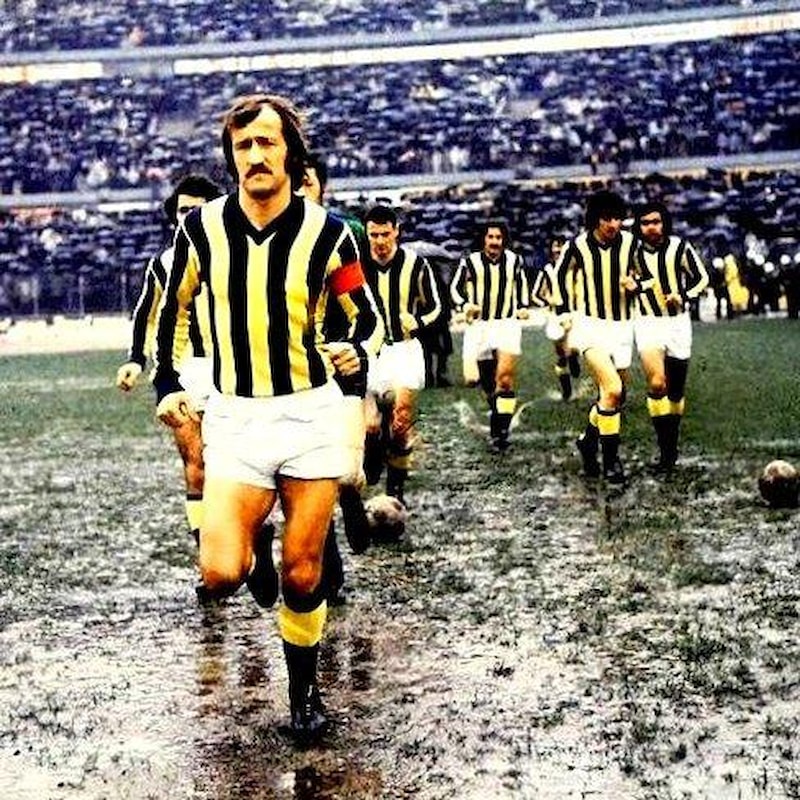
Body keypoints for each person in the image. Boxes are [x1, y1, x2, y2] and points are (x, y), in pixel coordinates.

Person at [151, 94, 383, 742]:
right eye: (243, 145)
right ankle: (253, 548)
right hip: (235, 419)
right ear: (231, 157)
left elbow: (364, 314)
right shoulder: (201, 231)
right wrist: (167, 382)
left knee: (303, 570)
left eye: (267, 143)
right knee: (220, 572)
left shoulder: (329, 233)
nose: (255, 155)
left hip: (308, 415)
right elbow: (173, 312)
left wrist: (356, 347)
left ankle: (304, 694)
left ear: (290, 154)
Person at [115, 174, 222, 545]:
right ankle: (206, 549)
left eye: (197, 210)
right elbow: (145, 315)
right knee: (196, 460)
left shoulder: (236, 254)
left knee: (240, 464)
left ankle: (252, 539)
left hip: (238, 370)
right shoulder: (163, 264)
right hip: (189, 371)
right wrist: (135, 360)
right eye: (182, 211)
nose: (188, 217)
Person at [299, 151, 382, 605]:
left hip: (343, 362)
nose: (298, 190)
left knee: (347, 475)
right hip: (297, 373)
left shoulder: (344, 233)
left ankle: (352, 496)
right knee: (309, 474)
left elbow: (364, 304)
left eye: (307, 182)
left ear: (322, 188)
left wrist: (358, 349)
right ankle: (328, 573)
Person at [553, 190, 647, 484]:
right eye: (607, 218)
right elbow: (559, 276)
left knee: (615, 397)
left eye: (618, 218)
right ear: (595, 219)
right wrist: (564, 310)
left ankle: (588, 441)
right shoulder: (578, 246)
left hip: (623, 327)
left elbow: (648, 276)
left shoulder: (632, 243)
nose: (613, 224)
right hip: (590, 326)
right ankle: (611, 462)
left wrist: (637, 286)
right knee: (613, 389)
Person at [362, 204, 442, 505]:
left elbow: (436, 307)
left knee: (401, 421)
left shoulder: (416, 264)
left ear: (396, 231)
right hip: (369, 353)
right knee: (370, 426)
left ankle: (395, 488)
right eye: (374, 235)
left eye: (385, 234)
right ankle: (373, 452)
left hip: (405, 349)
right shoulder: (356, 266)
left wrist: (417, 321)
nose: (380, 241)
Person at [633, 201, 709, 472]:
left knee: (675, 392)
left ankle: (671, 443)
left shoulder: (680, 247)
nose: (651, 227)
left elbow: (701, 278)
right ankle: (665, 449)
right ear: (639, 226)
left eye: (655, 221)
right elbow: (625, 280)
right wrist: (632, 286)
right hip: (647, 322)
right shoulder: (631, 252)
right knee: (657, 384)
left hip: (677, 323)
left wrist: (684, 295)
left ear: (664, 223)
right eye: (645, 223)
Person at [450, 219, 530, 451]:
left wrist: (523, 305)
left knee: (504, 378)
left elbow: (521, 286)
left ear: (504, 240)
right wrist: (465, 305)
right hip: (479, 326)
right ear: (483, 239)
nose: (495, 241)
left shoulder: (515, 261)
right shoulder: (470, 262)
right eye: (490, 237)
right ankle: (497, 413)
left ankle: (501, 433)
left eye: (498, 237)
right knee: (481, 382)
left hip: (506, 323)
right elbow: (455, 289)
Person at [530, 235, 581, 402]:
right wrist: (548, 301)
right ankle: (567, 390)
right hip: (555, 316)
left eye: (561, 246)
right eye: (555, 246)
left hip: (574, 313)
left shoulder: (576, 268)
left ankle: (573, 358)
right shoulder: (547, 270)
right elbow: (536, 294)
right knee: (561, 356)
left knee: (572, 348)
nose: (558, 249)